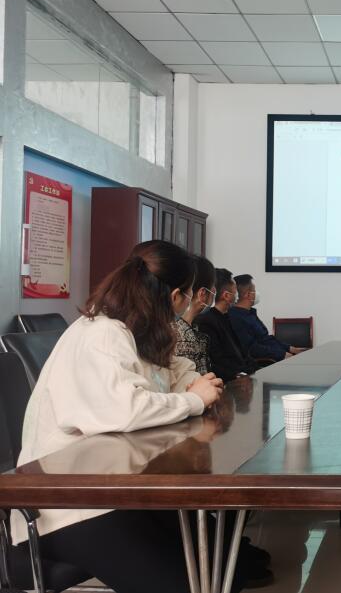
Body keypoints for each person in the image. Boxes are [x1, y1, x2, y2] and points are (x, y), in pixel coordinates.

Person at [11, 240, 229, 593]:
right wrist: (192, 400)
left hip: (116, 489)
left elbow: (175, 372)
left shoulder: (137, 331)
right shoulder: (102, 333)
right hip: (67, 505)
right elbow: (126, 409)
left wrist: (192, 386)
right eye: (189, 295)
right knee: (190, 583)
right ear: (176, 296)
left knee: (223, 563)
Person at [195, 268, 257, 381]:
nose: (238, 294)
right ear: (227, 296)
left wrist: (251, 369)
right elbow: (217, 361)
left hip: (244, 374)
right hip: (230, 380)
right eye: (235, 290)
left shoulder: (228, 317)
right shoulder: (207, 322)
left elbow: (242, 352)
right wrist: (238, 374)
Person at [229, 273, 306, 363]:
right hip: (263, 362)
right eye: (254, 290)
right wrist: (282, 354)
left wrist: (290, 348)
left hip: (275, 354)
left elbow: (265, 339)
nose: (256, 293)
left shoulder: (250, 314)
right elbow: (252, 348)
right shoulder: (235, 318)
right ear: (248, 294)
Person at [173, 255, 216, 374]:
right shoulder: (182, 339)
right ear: (202, 294)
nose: (214, 294)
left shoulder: (188, 329)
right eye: (213, 289)